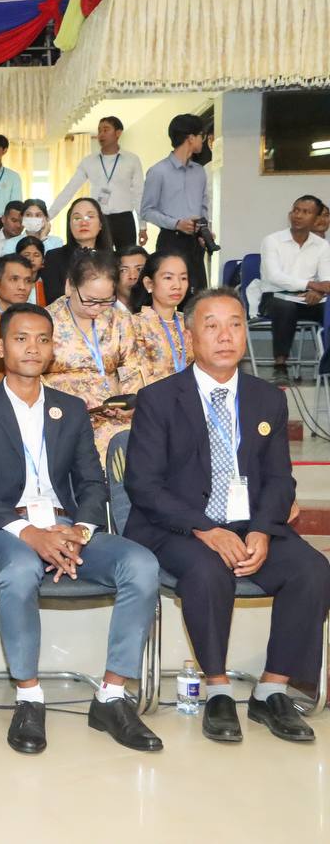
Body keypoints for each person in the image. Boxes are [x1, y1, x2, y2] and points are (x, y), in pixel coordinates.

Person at [0, 303, 162, 754]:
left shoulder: (70, 408)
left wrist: (80, 532)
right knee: (21, 570)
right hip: (4, 530)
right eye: (21, 338)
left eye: (43, 339)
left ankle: (111, 696)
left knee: (141, 564)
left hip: (68, 527)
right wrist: (29, 534)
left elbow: (91, 482)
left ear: (53, 349)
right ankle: (28, 698)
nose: (32, 348)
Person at [125, 287, 330, 744]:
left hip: (249, 522)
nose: (225, 336)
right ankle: (217, 688)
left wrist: (263, 530)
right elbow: (143, 486)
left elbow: (280, 479)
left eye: (235, 324)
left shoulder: (267, 398)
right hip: (179, 526)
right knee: (206, 570)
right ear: (190, 336)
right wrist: (206, 529)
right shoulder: (159, 398)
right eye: (212, 325)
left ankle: (272, 689)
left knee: (312, 570)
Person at [43, 251, 142, 460]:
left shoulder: (120, 319)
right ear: (70, 286)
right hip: (62, 414)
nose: (97, 308)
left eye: (106, 301)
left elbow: (132, 367)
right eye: (89, 300)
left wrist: (129, 404)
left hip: (115, 415)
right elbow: (32, 373)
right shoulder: (45, 321)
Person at [250, 195, 330, 384]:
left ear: (316, 219)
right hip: (273, 297)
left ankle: (327, 365)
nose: (298, 215)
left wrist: (318, 292)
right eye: (296, 210)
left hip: (308, 299)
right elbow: (274, 276)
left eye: (306, 212)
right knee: (284, 307)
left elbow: (326, 280)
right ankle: (280, 366)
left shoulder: (322, 246)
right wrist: (310, 285)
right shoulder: (272, 241)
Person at [141, 113, 212, 295]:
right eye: (201, 136)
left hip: (196, 241)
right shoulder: (158, 171)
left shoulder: (200, 171)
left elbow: (204, 207)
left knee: (199, 296)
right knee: (172, 294)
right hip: (171, 240)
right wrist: (176, 224)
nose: (203, 140)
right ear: (190, 138)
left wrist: (205, 231)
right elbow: (147, 211)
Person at [50, 117, 147, 250]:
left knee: (126, 257)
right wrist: (49, 216)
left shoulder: (132, 160)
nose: (101, 134)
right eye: (99, 131)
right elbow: (69, 190)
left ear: (118, 133)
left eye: (106, 130)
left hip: (124, 219)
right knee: (100, 259)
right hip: (99, 220)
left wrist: (142, 226)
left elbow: (139, 194)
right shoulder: (88, 161)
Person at [131, 251, 193, 385]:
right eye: (168, 278)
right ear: (149, 283)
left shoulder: (192, 323)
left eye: (183, 278)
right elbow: (132, 377)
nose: (177, 286)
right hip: (151, 396)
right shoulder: (134, 325)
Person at [41, 198, 113, 304]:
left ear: (100, 224)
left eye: (90, 216)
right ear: (69, 225)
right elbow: (54, 300)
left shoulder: (114, 259)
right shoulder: (54, 257)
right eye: (77, 218)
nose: (83, 222)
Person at [116, 245, 148, 312]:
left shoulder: (157, 310)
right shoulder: (100, 311)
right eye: (124, 270)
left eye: (139, 269)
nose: (132, 277)